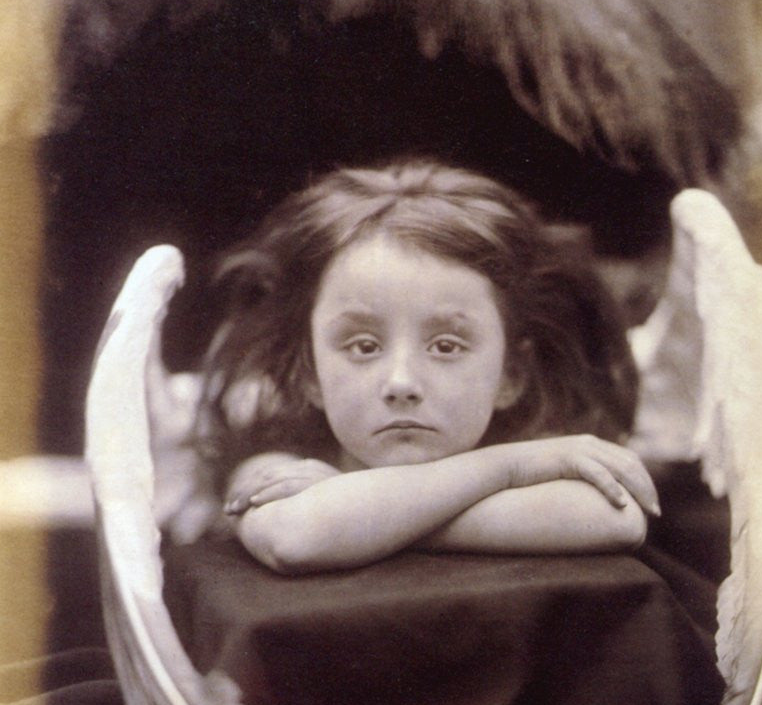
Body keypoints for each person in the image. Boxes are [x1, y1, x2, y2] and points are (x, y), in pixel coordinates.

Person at [198, 158, 660, 574]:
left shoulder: (535, 451)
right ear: (309, 374)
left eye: (445, 346)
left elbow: (616, 519)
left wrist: (359, 513)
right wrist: (510, 469)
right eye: (362, 346)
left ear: (510, 376)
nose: (402, 383)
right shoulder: (277, 465)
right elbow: (297, 535)